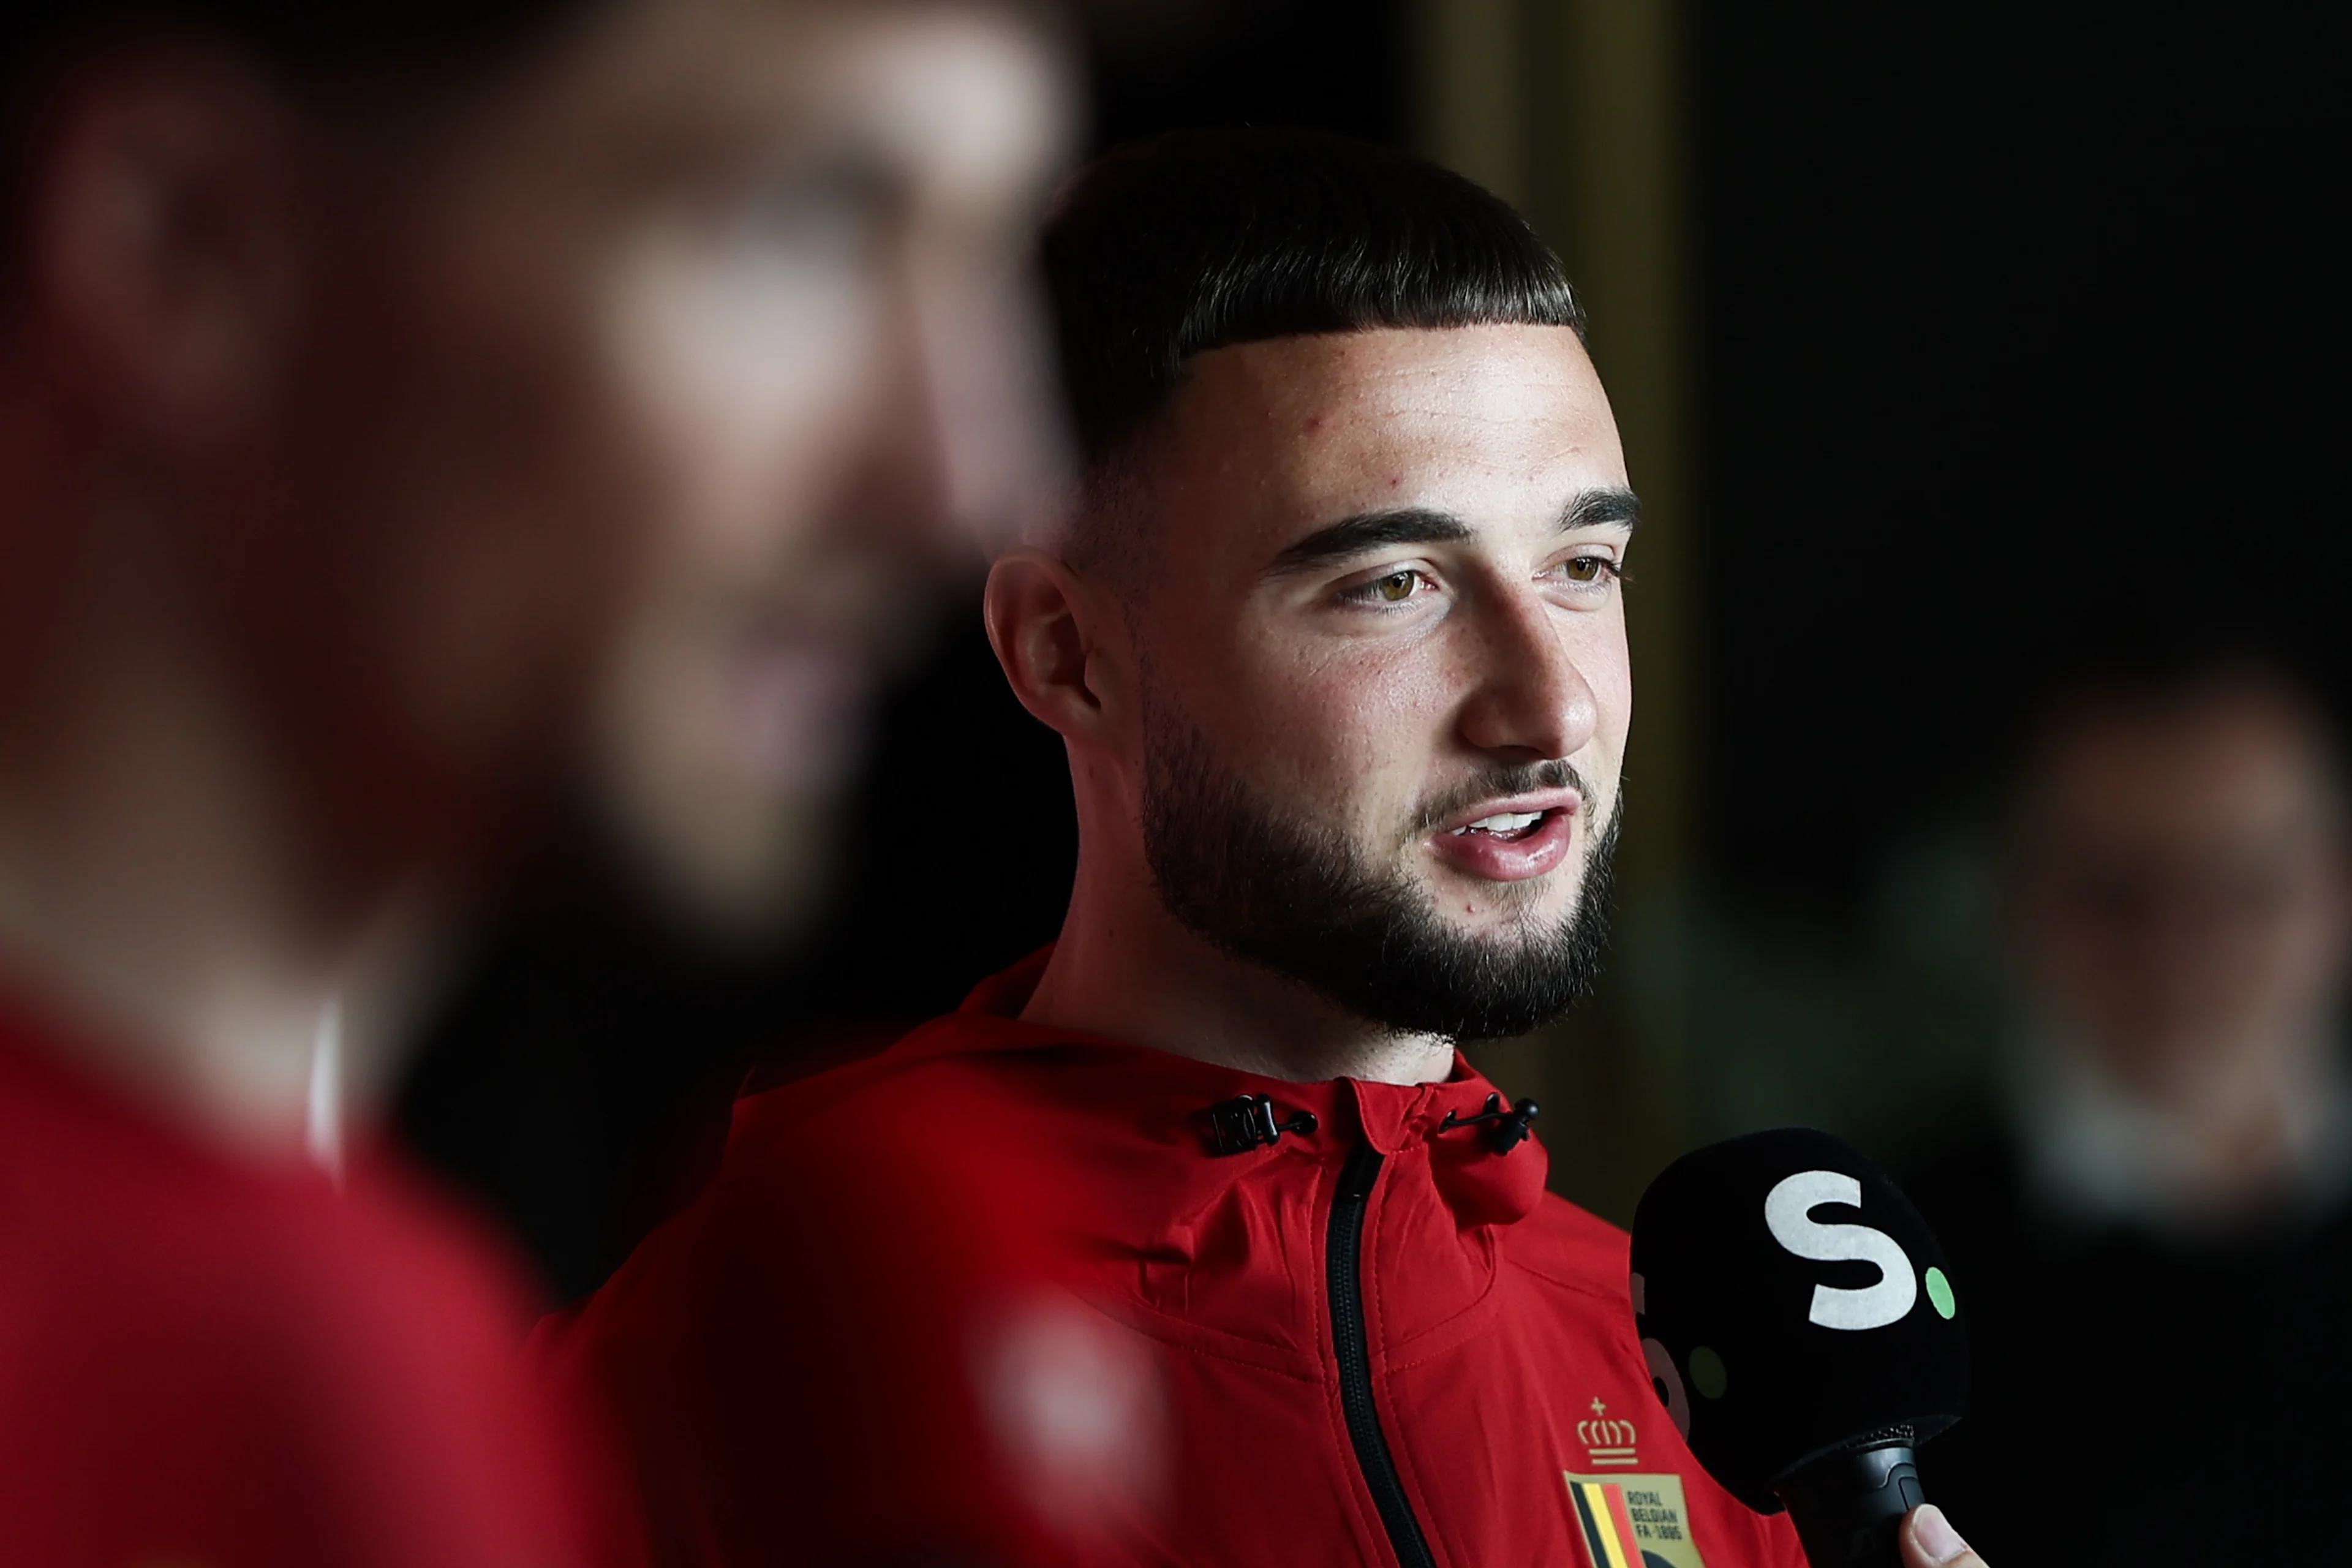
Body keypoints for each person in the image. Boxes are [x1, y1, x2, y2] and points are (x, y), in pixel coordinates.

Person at [553, 129, 1987, 1568]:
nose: (1548, 701)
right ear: (1067, 654)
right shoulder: (742, 1357)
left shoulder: (1693, 1380)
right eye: (1393, 584)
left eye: (1582, 567)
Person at [0, 0, 1071, 1561]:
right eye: (809, 222)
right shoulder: (256, 1375)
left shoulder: (389, 1347)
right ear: (185, 242)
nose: (968, 480)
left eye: (993, 270)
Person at [1909, 652, 2352, 1563]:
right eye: (2115, 894)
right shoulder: (1895, 1263)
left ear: (2337, 888)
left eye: (2245, 887)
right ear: (2015, 895)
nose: (2181, 950)